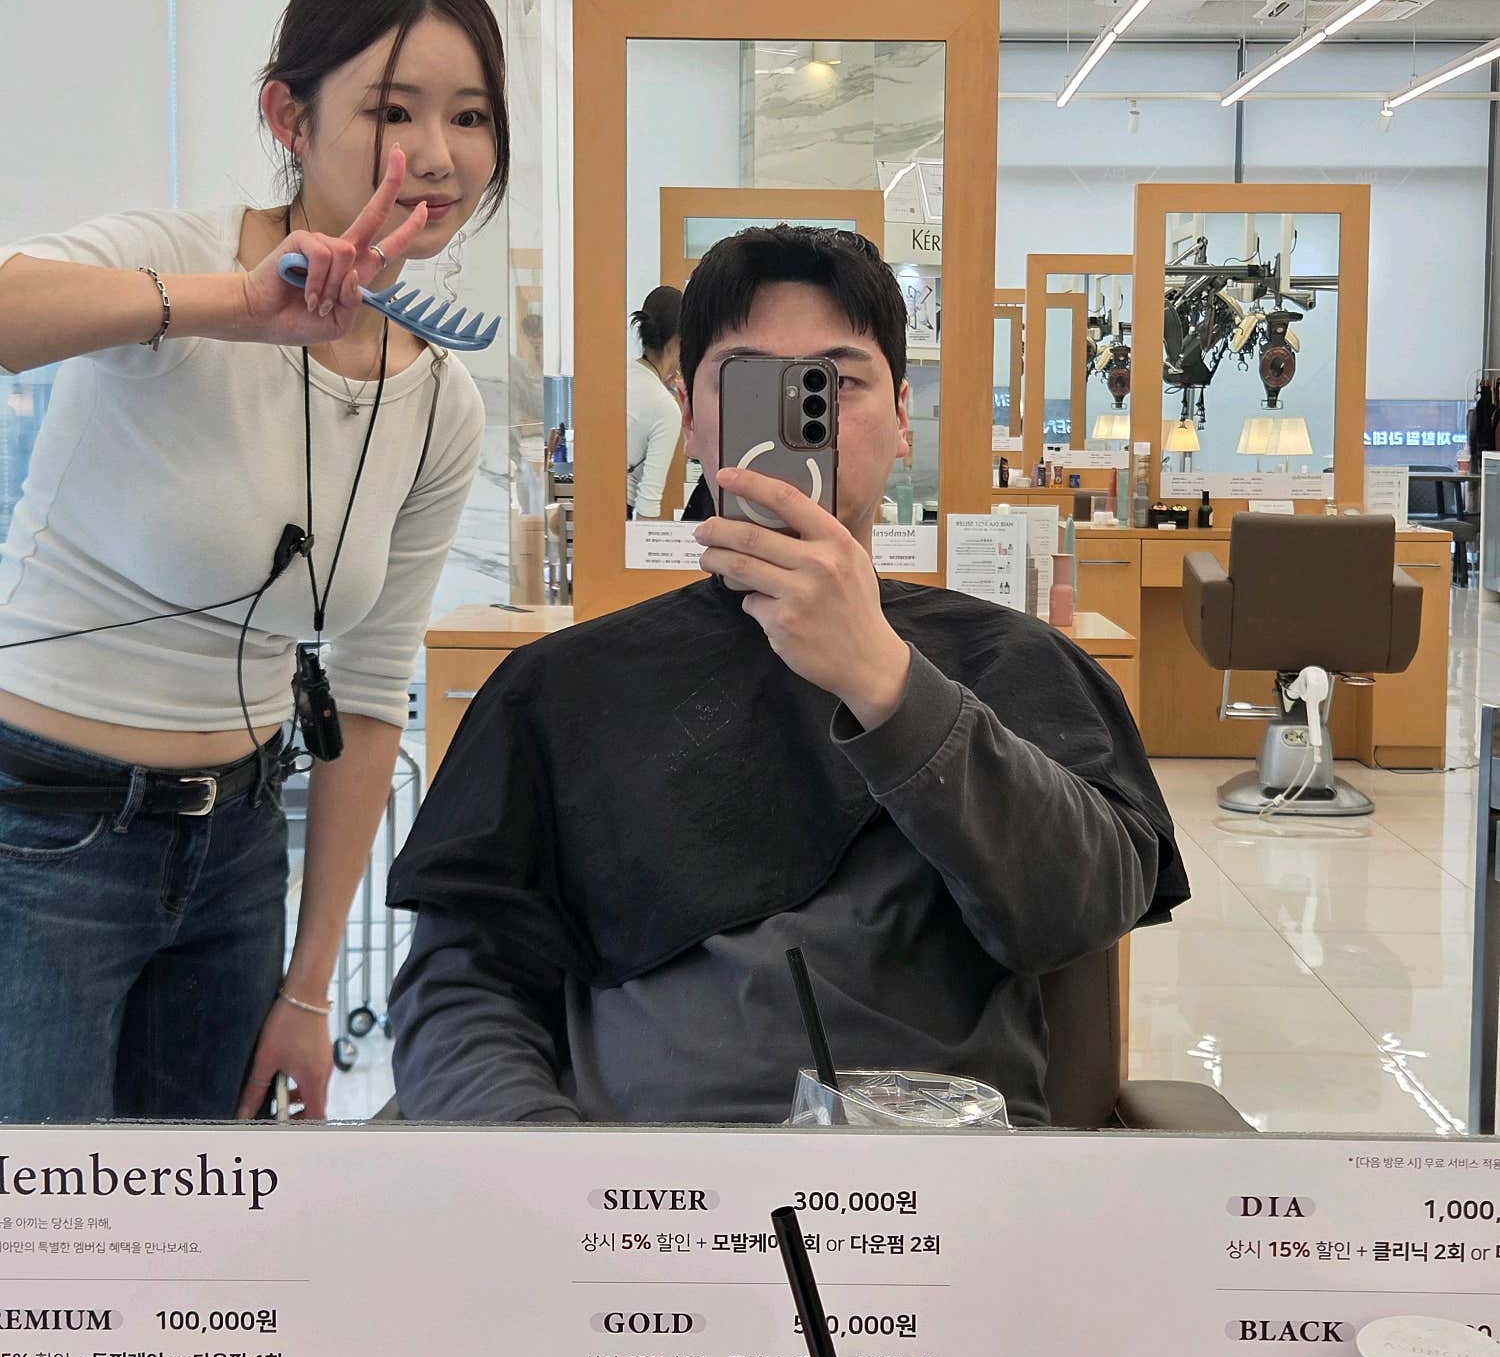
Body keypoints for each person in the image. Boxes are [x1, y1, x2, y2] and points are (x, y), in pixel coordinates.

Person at [386, 224, 1188, 1127]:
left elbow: (1077, 913)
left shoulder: (1012, 661)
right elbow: (463, 991)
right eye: (750, 382)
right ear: (691, 418)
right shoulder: (563, 690)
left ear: (902, 419)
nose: (805, 416)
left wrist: (888, 683)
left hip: (942, 1177)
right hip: (648, 1187)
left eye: (836, 383)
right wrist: (553, 1170)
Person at [0, 0, 507, 1122]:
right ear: (289, 115)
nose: (438, 154)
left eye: (472, 115)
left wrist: (310, 985)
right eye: (394, 111)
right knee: (40, 1222)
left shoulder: (440, 402)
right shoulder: (179, 261)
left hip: (235, 850)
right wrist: (237, 306)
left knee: (205, 1218)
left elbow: (369, 694)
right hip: (39, 826)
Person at [625, 284, 683, 519]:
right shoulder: (665, 407)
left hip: (588, 508)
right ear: (677, 340)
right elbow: (647, 506)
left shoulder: (617, 376)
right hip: (618, 515)